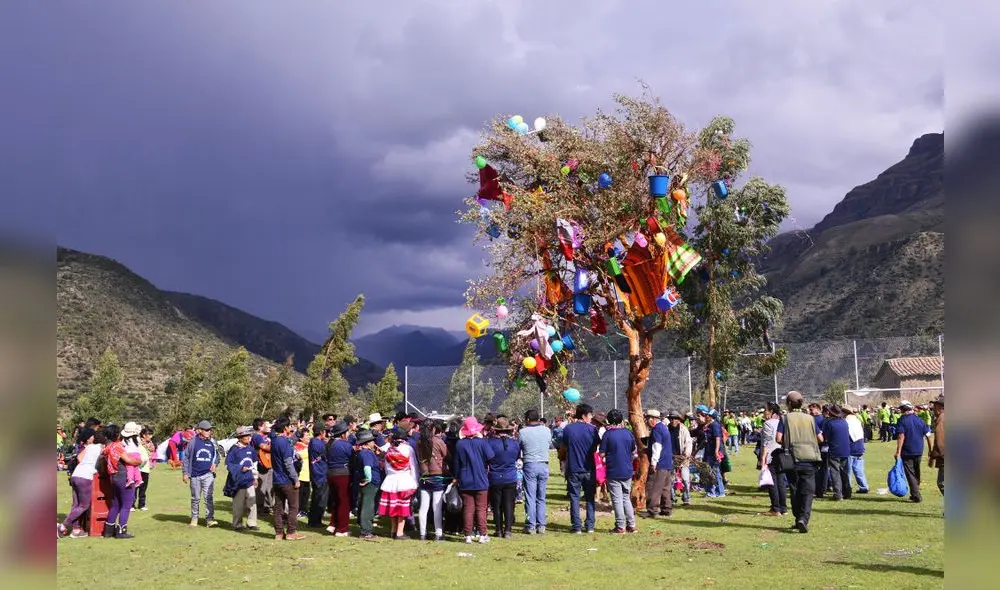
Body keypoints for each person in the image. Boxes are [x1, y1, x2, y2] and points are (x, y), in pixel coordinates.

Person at [776, 391, 824, 533]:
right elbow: (821, 438)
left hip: (792, 458)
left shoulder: (785, 419)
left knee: (795, 489)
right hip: (810, 458)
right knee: (808, 492)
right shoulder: (810, 418)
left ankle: (798, 519)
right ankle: (803, 518)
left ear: (789, 404)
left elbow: (779, 438)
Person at [455, 416, 495, 544]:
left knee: (468, 508)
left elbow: (457, 464)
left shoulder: (459, 444)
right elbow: (491, 457)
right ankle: (483, 534)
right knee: (481, 508)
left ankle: (468, 535)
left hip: (465, 480)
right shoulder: (482, 442)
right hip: (481, 479)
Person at [561, 404, 599, 534]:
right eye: (590, 415)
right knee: (589, 498)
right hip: (589, 468)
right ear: (584, 415)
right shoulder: (593, 430)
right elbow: (595, 447)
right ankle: (590, 525)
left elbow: (564, 445)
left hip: (573, 468)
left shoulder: (568, 429)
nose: (591, 417)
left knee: (574, 497)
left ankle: (576, 526)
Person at [58, 428, 102, 539]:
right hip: (85, 477)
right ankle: (62, 526)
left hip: (76, 474)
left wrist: (86, 464)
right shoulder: (100, 447)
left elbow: (79, 457)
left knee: (76, 504)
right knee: (84, 505)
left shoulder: (88, 447)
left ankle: (76, 531)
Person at [101, 424, 143, 538]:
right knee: (126, 504)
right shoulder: (118, 446)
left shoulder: (107, 447)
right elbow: (129, 460)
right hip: (123, 476)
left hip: (113, 477)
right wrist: (140, 461)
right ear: (116, 434)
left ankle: (108, 530)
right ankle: (121, 530)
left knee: (115, 504)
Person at [599, 409, 637, 533]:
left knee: (617, 499)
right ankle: (631, 524)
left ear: (609, 420)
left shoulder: (608, 434)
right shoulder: (628, 433)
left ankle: (620, 526)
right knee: (626, 498)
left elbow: (602, 453)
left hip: (614, 470)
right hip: (627, 470)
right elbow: (633, 450)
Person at [270, 416, 306, 540]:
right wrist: (295, 479)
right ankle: (291, 532)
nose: (290, 428)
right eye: (290, 426)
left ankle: (279, 533)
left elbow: (291, 440)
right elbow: (288, 463)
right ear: (285, 428)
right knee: (293, 507)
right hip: (287, 480)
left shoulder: (274, 440)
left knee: (278, 508)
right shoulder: (284, 443)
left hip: (276, 479)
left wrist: (298, 431)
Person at [379, 428, 419, 540]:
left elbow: (387, 467)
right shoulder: (408, 449)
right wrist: (415, 482)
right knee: (402, 508)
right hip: (404, 479)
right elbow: (413, 466)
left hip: (390, 480)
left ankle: (393, 530)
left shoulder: (389, 450)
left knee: (393, 506)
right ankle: (400, 532)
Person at [518, 408, 552, 535]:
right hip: (544, 464)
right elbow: (549, 443)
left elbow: (519, 446)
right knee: (541, 497)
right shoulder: (546, 430)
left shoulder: (523, 432)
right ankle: (541, 525)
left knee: (530, 497)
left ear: (527, 419)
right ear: (538, 418)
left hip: (530, 464)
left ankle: (531, 525)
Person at [182, 420, 221, 528]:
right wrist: (185, 473)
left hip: (208, 474)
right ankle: (194, 518)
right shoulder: (193, 442)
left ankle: (210, 519)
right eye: (207, 430)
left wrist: (215, 464)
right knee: (195, 498)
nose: (209, 431)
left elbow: (217, 456)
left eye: (210, 429)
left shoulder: (213, 442)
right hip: (194, 475)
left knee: (208, 497)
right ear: (200, 430)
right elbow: (186, 458)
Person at [487, 417, 520, 539]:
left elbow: (488, 458)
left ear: (496, 430)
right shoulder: (514, 444)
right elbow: (516, 458)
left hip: (495, 477)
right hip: (510, 477)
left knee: (496, 505)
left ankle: (498, 529)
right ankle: (508, 530)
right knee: (509, 504)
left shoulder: (490, 443)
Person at [416, 420, 449, 541]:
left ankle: (422, 533)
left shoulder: (418, 442)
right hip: (437, 476)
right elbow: (446, 454)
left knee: (423, 507)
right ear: (433, 429)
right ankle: (438, 533)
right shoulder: (438, 441)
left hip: (424, 476)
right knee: (437, 507)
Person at [894, 400, 932, 503]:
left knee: (910, 473)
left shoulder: (902, 420)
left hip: (907, 450)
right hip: (919, 450)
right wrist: (930, 449)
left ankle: (916, 495)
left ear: (903, 409)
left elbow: (901, 436)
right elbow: (928, 435)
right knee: (916, 471)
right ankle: (915, 491)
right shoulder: (920, 420)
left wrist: (898, 451)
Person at [225, 426, 258, 531]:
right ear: (240, 437)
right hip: (238, 481)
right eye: (246, 436)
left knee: (252, 503)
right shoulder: (234, 449)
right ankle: (237, 524)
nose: (248, 437)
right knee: (238, 505)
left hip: (249, 480)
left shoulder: (250, 449)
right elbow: (228, 465)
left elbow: (254, 463)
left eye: (249, 435)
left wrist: (255, 477)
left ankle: (252, 523)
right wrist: (240, 469)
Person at [643, 409, 675, 517]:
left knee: (653, 487)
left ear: (652, 419)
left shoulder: (656, 430)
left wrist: (653, 463)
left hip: (659, 463)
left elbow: (657, 446)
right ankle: (666, 509)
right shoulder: (663, 427)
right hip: (667, 463)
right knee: (665, 487)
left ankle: (652, 510)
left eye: (647, 419)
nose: (646, 421)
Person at [325, 421, 353, 536]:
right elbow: (352, 459)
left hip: (331, 473)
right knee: (344, 502)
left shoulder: (329, 444)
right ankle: (342, 529)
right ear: (342, 434)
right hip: (342, 474)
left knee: (336, 500)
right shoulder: (345, 445)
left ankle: (333, 524)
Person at [759, 402, 787, 516]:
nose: (764, 412)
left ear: (771, 412)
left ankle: (775, 508)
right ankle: (783, 508)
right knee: (781, 482)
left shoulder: (768, 424)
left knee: (772, 483)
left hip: (771, 455)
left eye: (765, 410)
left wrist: (763, 458)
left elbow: (767, 442)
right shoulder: (783, 422)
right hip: (782, 455)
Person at [354, 429, 382, 539]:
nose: (373, 443)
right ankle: (366, 531)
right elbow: (367, 467)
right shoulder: (366, 453)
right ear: (367, 442)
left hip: (368, 483)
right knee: (368, 507)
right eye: (371, 441)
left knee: (364, 504)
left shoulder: (364, 453)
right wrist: (368, 479)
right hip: (370, 484)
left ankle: (364, 527)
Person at [667, 411, 693, 507]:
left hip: (683, 457)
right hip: (671, 457)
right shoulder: (666, 429)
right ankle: (672, 498)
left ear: (679, 420)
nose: (673, 420)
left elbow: (689, 442)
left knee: (685, 479)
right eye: (672, 418)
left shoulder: (683, 429)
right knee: (670, 479)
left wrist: (686, 454)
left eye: (675, 418)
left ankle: (686, 497)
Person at [843, 405, 870, 494]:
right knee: (858, 469)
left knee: (848, 470)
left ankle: (848, 488)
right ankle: (864, 486)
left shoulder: (846, 422)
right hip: (860, 447)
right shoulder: (857, 420)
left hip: (851, 447)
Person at [307, 425, 329, 528]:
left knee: (316, 497)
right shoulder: (319, 444)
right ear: (321, 432)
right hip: (320, 473)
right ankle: (316, 521)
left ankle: (312, 520)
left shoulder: (312, 442)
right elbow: (326, 457)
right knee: (320, 498)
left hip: (315, 472)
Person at [251, 418, 274, 516]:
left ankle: (268, 506)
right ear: (260, 427)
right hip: (261, 465)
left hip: (269, 464)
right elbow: (264, 447)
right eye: (266, 425)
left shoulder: (266, 436)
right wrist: (278, 446)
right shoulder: (257, 436)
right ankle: (259, 508)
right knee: (261, 487)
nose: (268, 427)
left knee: (270, 486)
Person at [701, 409, 725, 498]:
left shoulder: (715, 425)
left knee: (714, 472)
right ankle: (718, 491)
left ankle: (715, 492)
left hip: (714, 452)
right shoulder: (709, 425)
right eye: (706, 415)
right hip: (709, 451)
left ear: (712, 417)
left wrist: (716, 451)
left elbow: (718, 438)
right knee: (713, 471)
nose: (706, 416)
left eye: (708, 415)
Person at [133, 427, 155, 511]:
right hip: (138, 467)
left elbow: (152, 450)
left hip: (146, 468)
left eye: (151, 434)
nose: (150, 436)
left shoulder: (150, 443)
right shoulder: (138, 442)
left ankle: (142, 504)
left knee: (143, 487)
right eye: (149, 434)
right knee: (135, 486)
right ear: (143, 435)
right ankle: (132, 505)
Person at [928, 394, 944, 496]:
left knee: (942, 483)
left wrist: (934, 456)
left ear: (940, 407)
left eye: (935, 406)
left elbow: (940, 441)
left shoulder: (942, 419)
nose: (933, 408)